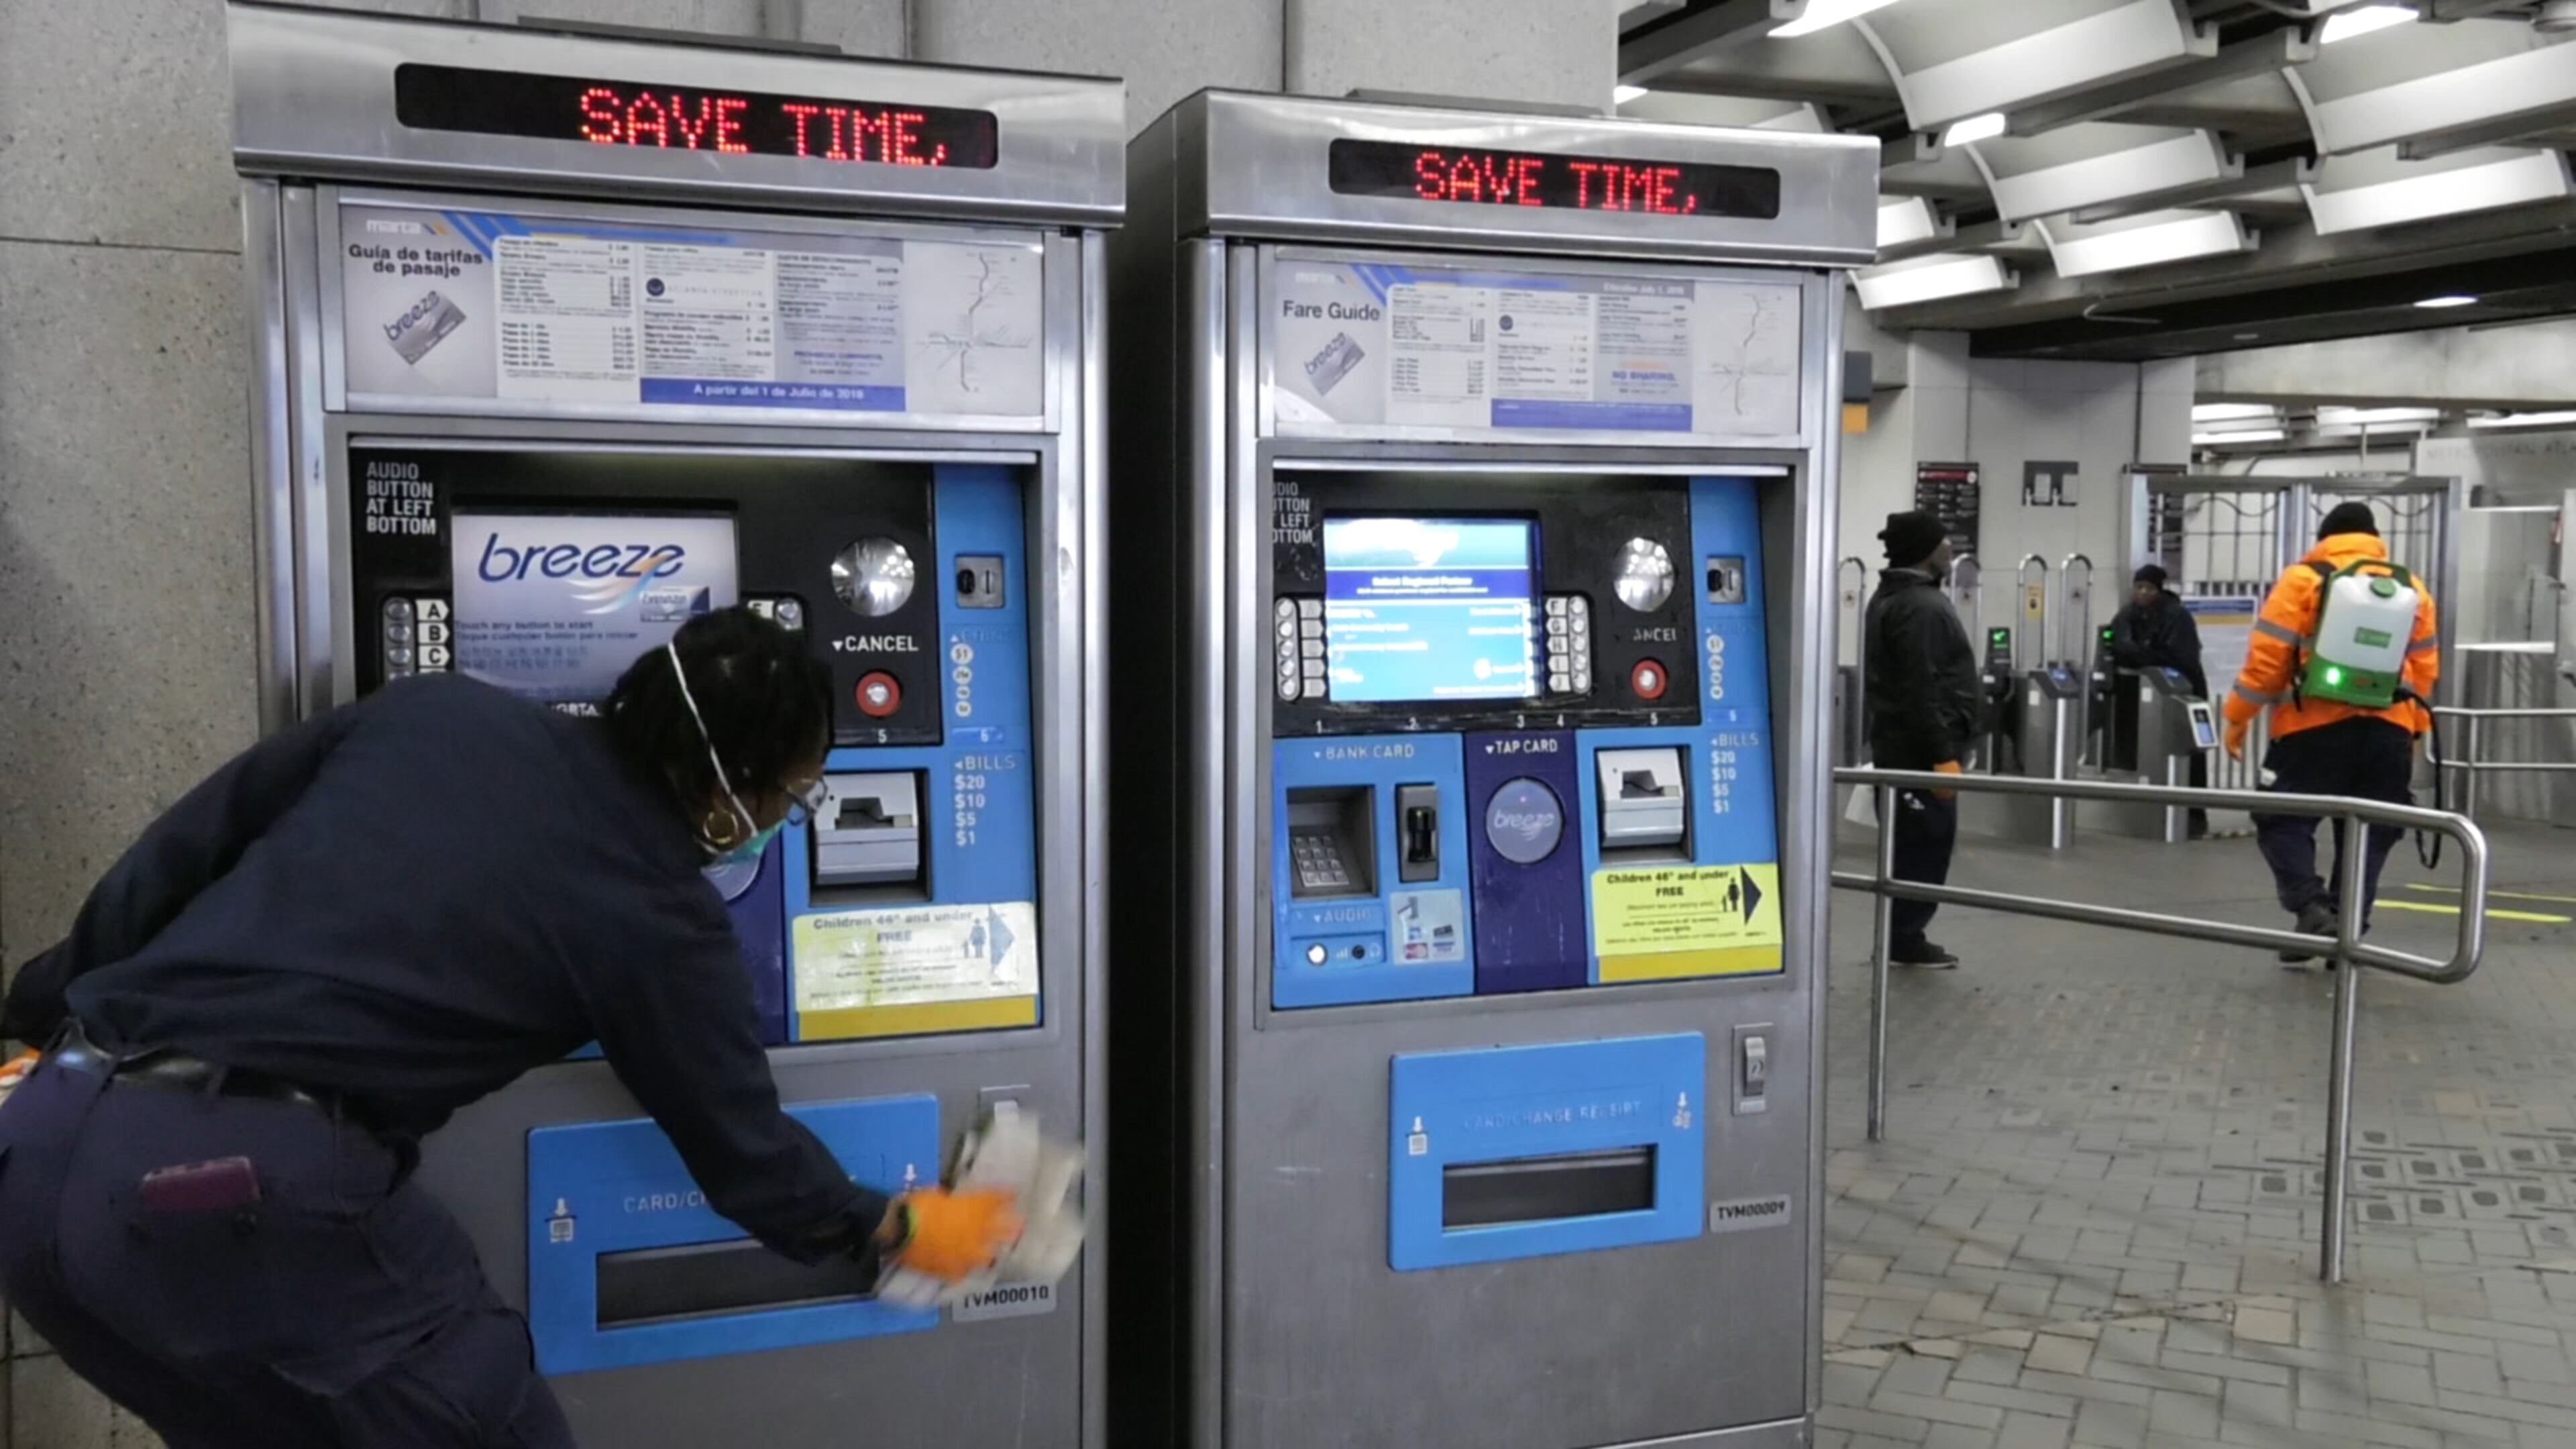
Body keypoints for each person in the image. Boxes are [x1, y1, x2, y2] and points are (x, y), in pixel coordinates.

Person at [0, 608, 1023, 1448]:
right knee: (489, 1422)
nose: (776, 823)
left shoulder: (432, 714)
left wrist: (35, 1015)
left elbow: (179, 855)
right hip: (233, 1186)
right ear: (730, 797)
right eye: (789, 799)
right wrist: (890, 1226)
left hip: (39, 1151)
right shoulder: (656, 910)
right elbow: (742, 1151)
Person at [2220, 502, 2439, 967]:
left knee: (2281, 818)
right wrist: (2413, 732)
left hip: (2312, 729)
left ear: (2324, 537)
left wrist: (2238, 717)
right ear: (2374, 538)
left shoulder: (2304, 579)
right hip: (2390, 732)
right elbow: (2423, 671)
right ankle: (2345, 935)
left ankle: (2312, 908)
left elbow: (2266, 664)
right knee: (2369, 832)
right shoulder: (2412, 589)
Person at [1863, 509, 1983, 968]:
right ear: (1926, 552)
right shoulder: (1921, 607)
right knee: (1925, 848)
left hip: (1901, 749)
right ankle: (1904, 940)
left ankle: (1902, 936)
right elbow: (1923, 686)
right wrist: (1942, 756)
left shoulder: (1893, 598)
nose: (1951, 549)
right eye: (1943, 542)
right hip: (1918, 757)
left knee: (1911, 848)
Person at [2108, 563, 2210, 838]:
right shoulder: (2127, 615)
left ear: (2159, 590)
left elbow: (2182, 658)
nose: (2142, 593)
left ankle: (2194, 816)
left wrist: (2140, 653)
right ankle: (2154, 813)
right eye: (2139, 587)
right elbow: (2115, 645)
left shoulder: (2177, 617)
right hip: (2147, 695)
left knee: (2189, 755)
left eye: (2149, 588)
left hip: (2184, 693)